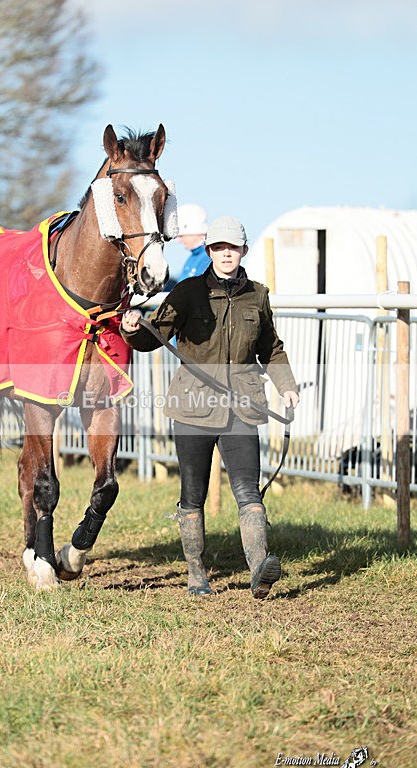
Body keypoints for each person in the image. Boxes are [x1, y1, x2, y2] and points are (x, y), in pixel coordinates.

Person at [121, 215, 299, 599]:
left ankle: (259, 570)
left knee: (249, 492)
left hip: (243, 407)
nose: (226, 254)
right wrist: (132, 329)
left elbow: (271, 348)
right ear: (209, 252)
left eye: (232, 248)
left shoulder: (258, 295)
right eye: (219, 248)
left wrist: (287, 386)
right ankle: (196, 573)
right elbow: (156, 336)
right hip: (193, 408)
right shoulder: (186, 293)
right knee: (193, 494)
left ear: (243, 252)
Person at [175, 203, 210, 281]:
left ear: (196, 233)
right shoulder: (192, 258)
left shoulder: (209, 257)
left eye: (181, 236)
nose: (179, 241)